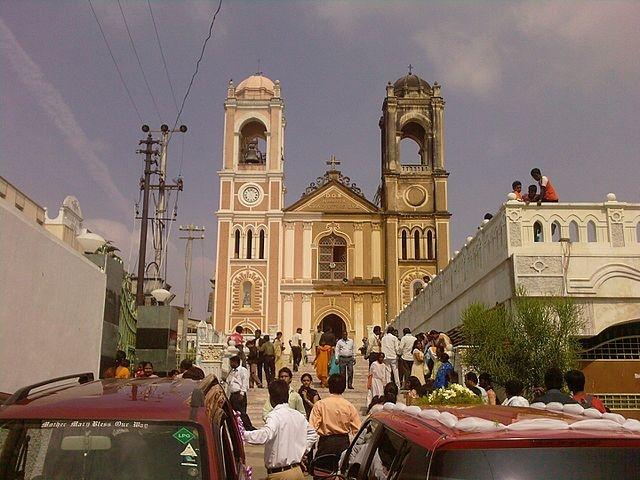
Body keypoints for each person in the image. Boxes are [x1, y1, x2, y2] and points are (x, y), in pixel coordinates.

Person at [244, 379, 318, 480]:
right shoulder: (297, 415)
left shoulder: (274, 416)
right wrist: (302, 451)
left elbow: (265, 435)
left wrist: (243, 434)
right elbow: (313, 434)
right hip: (297, 471)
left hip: (280, 474)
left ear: (271, 398)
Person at [310, 374, 361, 464]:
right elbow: (358, 430)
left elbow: (312, 427)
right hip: (343, 443)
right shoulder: (349, 406)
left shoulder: (320, 405)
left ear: (329, 387)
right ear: (344, 388)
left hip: (326, 444)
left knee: (323, 473)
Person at [226, 355, 255, 430]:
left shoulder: (243, 370)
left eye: (231, 362)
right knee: (232, 412)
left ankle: (249, 427)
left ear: (235, 362)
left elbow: (245, 382)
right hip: (232, 394)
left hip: (239, 394)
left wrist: (242, 393)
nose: (230, 364)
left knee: (241, 413)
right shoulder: (232, 371)